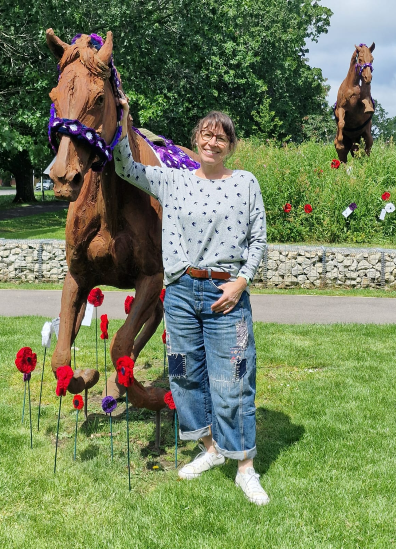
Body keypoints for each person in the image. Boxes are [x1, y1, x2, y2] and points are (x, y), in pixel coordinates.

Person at [113, 93, 269, 505]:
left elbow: (258, 240)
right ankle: (210, 450)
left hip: (225, 293)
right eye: (206, 134)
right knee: (183, 373)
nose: (212, 142)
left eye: (221, 137)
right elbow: (125, 165)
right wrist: (125, 114)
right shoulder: (173, 180)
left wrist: (241, 282)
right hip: (181, 293)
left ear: (230, 145)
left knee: (234, 376)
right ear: (196, 140)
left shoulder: (245, 183)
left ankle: (245, 467)